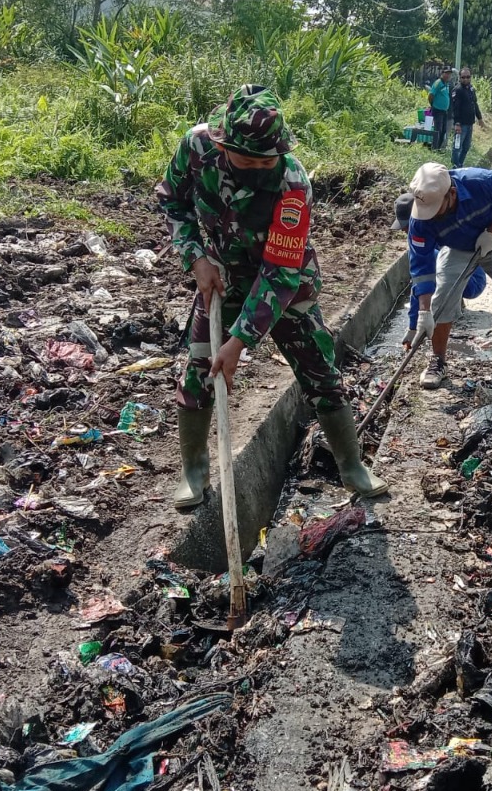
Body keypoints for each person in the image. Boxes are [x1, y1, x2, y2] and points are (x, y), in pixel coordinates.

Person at [156, 84, 387, 509]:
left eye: (267, 159)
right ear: (222, 143)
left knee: (320, 372)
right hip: (221, 274)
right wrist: (195, 258)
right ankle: (194, 472)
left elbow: (279, 274)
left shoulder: (292, 184)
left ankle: (351, 466)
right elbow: (172, 202)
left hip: (286, 282)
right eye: (248, 159)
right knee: (200, 369)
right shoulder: (196, 148)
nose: (259, 167)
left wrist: (240, 342)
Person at [405, 163, 492, 389]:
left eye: (437, 208)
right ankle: (438, 361)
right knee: (442, 299)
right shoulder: (420, 221)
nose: (431, 216)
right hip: (459, 248)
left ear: (452, 193)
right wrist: (423, 312)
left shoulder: (479, 181)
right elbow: (421, 267)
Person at [390, 192, 487, 347]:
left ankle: (452, 305)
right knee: (430, 267)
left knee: (430, 267)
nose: (404, 231)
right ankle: (453, 300)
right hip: (463, 277)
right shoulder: (428, 230)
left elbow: (420, 281)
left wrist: (414, 325)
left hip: (473, 282)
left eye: (406, 226)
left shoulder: (437, 231)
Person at [449, 67, 487, 169]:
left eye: (468, 77)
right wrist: (457, 123)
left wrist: (480, 118)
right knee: (457, 146)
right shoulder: (457, 90)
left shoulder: (471, 89)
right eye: (463, 77)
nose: (465, 79)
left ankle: (460, 164)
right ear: (460, 78)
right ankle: (455, 166)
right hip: (461, 124)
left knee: (466, 147)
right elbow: (455, 108)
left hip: (469, 123)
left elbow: (475, 104)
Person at [427, 66, 452, 151]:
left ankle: (438, 148)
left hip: (444, 111)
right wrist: (433, 104)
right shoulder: (438, 83)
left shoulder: (447, 84)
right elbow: (431, 95)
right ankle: (434, 148)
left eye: (449, 74)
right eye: (446, 73)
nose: (448, 75)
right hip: (437, 110)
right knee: (438, 130)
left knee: (443, 130)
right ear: (442, 73)